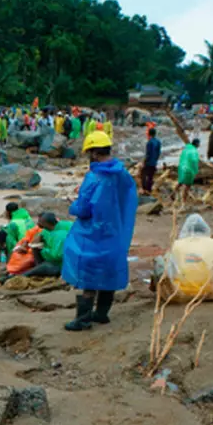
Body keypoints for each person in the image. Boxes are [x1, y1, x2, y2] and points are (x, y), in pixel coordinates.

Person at [62, 131, 137, 331]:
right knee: (108, 273)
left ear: (94, 153)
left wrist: (73, 207)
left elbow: (85, 209)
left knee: (88, 277)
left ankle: (83, 320)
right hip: (115, 234)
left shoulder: (94, 177)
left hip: (93, 236)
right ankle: (102, 314)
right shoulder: (123, 175)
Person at [156, 214, 213, 301]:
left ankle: (161, 293)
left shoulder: (176, 244)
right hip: (211, 294)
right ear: (205, 228)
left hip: (179, 295)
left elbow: (166, 266)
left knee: (159, 261)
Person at [8, 212, 72, 279]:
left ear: (46, 223)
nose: (38, 224)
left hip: (63, 264)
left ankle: (18, 277)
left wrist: (43, 250)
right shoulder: (49, 230)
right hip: (56, 258)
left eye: (40, 222)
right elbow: (37, 237)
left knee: (37, 269)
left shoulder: (60, 235)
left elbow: (56, 255)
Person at [177, 137, 200, 202]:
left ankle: (173, 193)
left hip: (181, 167)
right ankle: (184, 201)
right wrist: (196, 170)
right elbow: (194, 161)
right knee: (187, 185)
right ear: (197, 144)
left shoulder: (186, 148)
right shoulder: (194, 151)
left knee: (181, 182)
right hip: (188, 169)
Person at [141, 128, 162, 194]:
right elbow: (158, 153)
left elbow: (148, 154)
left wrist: (143, 162)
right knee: (150, 176)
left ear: (149, 134)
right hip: (154, 162)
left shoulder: (149, 142)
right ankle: (149, 190)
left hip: (149, 162)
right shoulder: (158, 142)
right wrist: (155, 160)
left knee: (143, 174)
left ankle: (144, 189)